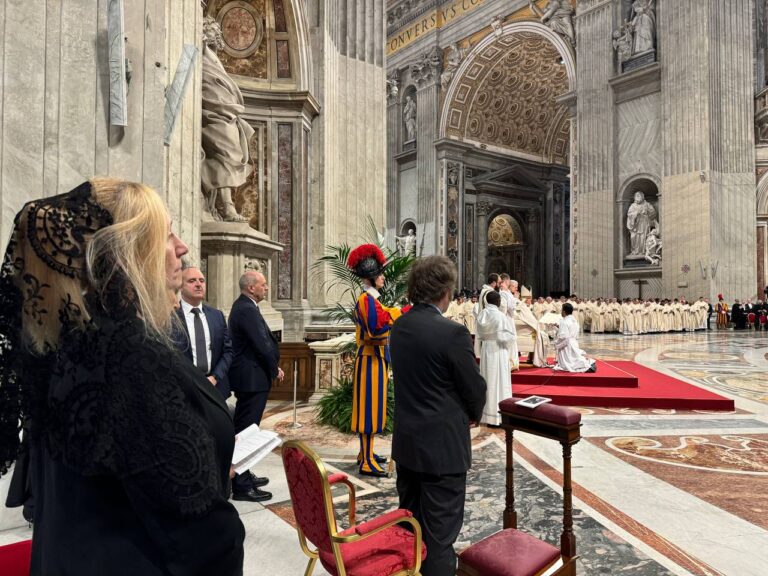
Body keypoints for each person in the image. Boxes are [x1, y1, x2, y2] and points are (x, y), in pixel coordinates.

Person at [0, 179, 245, 574]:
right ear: (124, 256)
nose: (182, 248)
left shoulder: (70, 346)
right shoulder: (127, 357)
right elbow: (203, 540)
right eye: (166, 235)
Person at [390, 256, 487, 576]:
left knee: (411, 528)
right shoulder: (453, 333)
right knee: (440, 538)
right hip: (442, 452)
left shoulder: (399, 326)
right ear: (444, 291)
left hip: (407, 446)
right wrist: (472, 413)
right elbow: (474, 388)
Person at [229, 270, 283, 501]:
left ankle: (244, 473)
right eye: (263, 284)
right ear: (251, 287)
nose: (267, 288)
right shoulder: (245, 309)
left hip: (252, 377)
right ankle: (241, 486)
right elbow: (262, 344)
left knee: (248, 429)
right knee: (246, 431)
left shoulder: (246, 306)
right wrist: (273, 368)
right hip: (251, 379)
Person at [348, 244, 402, 477]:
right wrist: (397, 315)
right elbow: (376, 330)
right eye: (380, 274)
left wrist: (393, 313)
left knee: (373, 408)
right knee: (369, 410)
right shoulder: (367, 300)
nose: (383, 278)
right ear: (371, 277)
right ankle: (367, 460)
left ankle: (366, 453)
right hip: (370, 361)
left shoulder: (371, 299)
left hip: (375, 360)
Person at [175, 265, 233, 399]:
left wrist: (215, 377)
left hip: (215, 387)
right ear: (180, 286)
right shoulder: (171, 316)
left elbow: (228, 351)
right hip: (183, 389)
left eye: (201, 280)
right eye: (192, 281)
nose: (198, 284)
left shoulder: (216, 316)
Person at [476, 291, 515, 426]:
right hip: (498, 350)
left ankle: (488, 415)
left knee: (488, 381)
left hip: (486, 349)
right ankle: (499, 416)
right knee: (500, 381)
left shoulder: (482, 314)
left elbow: (479, 334)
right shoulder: (500, 316)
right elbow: (506, 337)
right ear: (498, 301)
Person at [553, 303, 596, 373]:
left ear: (564, 311)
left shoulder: (564, 321)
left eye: (561, 310)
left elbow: (563, 336)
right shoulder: (574, 320)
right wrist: (558, 327)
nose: (561, 312)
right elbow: (571, 332)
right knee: (574, 358)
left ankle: (586, 365)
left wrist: (556, 344)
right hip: (574, 342)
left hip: (566, 345)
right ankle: (586, 363)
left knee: (567, 364)